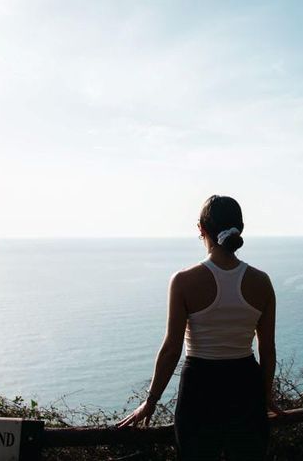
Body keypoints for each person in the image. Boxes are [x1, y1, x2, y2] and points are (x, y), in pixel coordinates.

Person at [118, 195, 283, 460]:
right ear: (240, 229)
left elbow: (172, 349)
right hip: (246, 385)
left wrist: (150, 402)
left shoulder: (183, 281)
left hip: (200, 386)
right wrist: (265, 395)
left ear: (201, 229)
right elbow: (268, 348)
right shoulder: (262, 282)